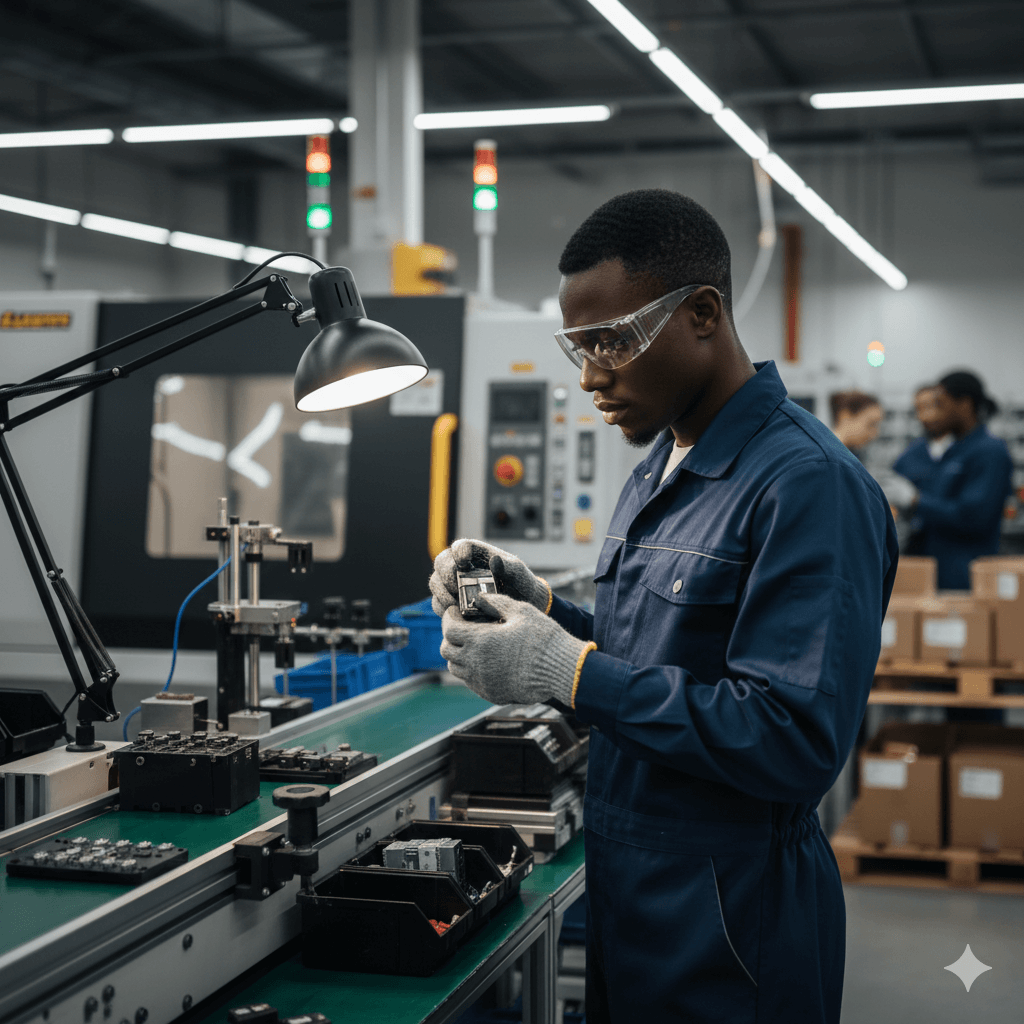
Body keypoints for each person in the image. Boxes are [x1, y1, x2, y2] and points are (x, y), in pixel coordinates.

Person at [430, 190, 897, 1023]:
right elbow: (654, 653)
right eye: (578, 345)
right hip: (631, 885)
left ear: (705, 314)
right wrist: (538, 607)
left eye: (613, 340)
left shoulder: (808, 486)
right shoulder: (662, 464)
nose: (590, 377)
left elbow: (793, 738)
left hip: (731, 910)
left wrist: (564, 672)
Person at [889, 371, 1012, 589]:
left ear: (964, 405)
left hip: (966, 575)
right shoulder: (950, 451)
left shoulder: (990, 452)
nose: (934, 413)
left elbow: (973, 517)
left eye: (941, 404)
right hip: (932, 569)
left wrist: (916, 501)